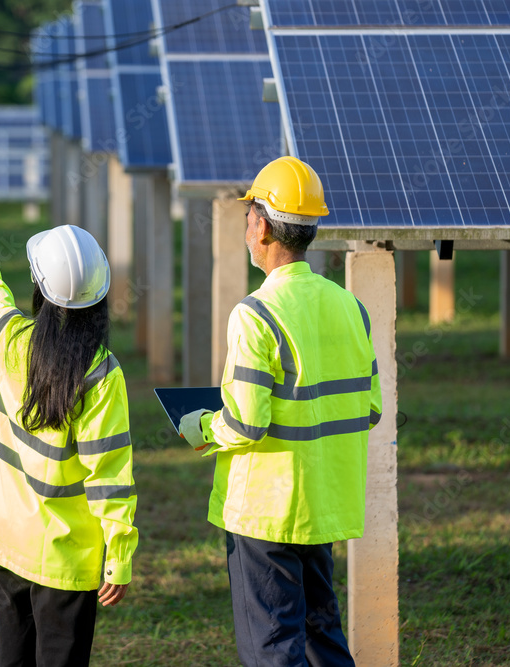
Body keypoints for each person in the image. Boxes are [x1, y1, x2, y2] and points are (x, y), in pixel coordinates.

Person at [178, 156, 381, 666]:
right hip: (323, 505)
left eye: (249, 215)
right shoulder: (350, 306)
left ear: (263, 226)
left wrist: (200, 425)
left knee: (273, 647)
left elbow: (247, 422)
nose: (247, 224)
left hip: (265, 512)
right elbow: (370, 407)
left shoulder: (255, 314)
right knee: (322, 638)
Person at [0, 223, 138, 667]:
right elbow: (109, 473)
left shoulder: (11, 341)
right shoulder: (101, 374)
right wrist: (118, 554)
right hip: (67, 560)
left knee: (11, 658)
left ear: (39, 289)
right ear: (99, 299)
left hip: (7, 541)